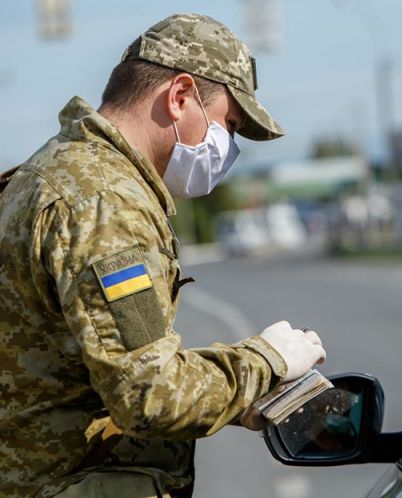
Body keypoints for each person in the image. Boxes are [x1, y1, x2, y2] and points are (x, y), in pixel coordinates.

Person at [0, 13, 326, 498]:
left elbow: (82, 371)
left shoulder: (55, 169)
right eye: (228, 126)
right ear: (179, 97)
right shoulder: (104, 201)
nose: (228, 149)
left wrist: (238, 401)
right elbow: (148, 395)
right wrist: (267, 361)